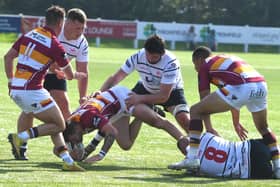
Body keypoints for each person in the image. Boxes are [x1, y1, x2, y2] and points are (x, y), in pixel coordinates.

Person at [4, 5, 86, 171]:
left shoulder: (30, 34)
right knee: (60, 125)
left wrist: (11, 79)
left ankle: (68, 162)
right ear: (61, 23)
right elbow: (69, 75)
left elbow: (8, 57)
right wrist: (76, 75)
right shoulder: (54, 44)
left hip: (16, 89)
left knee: (53, 122)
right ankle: (20, 138)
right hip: (31, 90)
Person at [180, 46, 280, 178]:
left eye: (194, 64)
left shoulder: (204, 67)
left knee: (195, 110)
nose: (195, 69)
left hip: (242, 86)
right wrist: (236, 122)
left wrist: (209, 128)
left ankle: (191, 158)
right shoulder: (222, 59)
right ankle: (278, 167)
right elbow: (232, 95)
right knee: (264, 127)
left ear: (199, 60)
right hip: (260, 84)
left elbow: (203, 102)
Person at [62, 85, 188, 162]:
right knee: (126, 144)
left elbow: (110, 131)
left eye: (74, 141)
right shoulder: (75, 122)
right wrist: (90, 148)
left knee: (158, 122)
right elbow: (103, 126)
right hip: (115, 110)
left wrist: (100, 154)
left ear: (76, 129)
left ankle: (186, 142)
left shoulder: (87, 117)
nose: (75, 143)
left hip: (122, 98)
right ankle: (146, 110)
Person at [100, 34, 190, 133]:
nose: (150, 59)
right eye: (148, 55)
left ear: (162, 53)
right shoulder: (138, 56)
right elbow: (115, 78)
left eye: (155, 57)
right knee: (118, 108)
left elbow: (163, 96)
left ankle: (199, 145)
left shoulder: (171, 63)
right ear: (145, 50)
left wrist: (139, 99)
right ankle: (100, 139)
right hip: (146, 88)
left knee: (184, 120)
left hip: (171, 92)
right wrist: (99, 96)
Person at [44, 8, 89, 120]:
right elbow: (47, 59)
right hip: (40, 70)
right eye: (77, 28)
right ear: (66, 23)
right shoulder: (55, 32)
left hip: (59, 73)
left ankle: (67, 136)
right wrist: (62, 72)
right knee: (31, 109)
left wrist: (82, 97)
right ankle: (23, 135)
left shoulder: (82, 43)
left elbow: (83, 72)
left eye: (83, 28)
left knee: (64, 105)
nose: (80, 32)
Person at [168, 132, 274, 179]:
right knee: (272, 143)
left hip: (250, 170)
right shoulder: (206, 136)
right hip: (250, 148)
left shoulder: (196, 167)